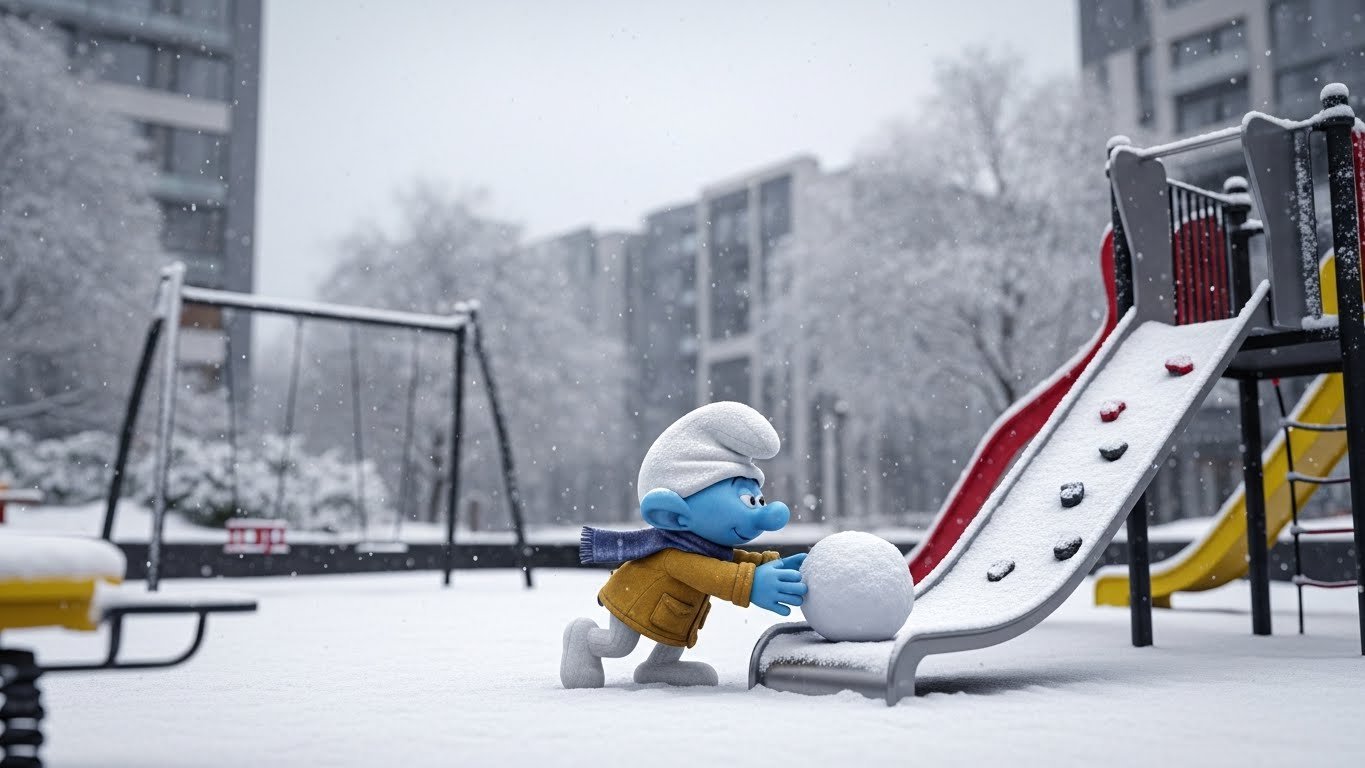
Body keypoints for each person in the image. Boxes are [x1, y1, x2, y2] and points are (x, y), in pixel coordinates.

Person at [561, 401, 807, 688]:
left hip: (675, 611)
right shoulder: (674, 555)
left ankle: (660, 667)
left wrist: (770, 564)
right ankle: (584, 638)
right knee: (618, 645)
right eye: (748, 502)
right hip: (636, 599)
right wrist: (750, 584)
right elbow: (711, 574)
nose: (765, 512)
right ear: (673, 514)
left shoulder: (705, 546)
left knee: (672, 635)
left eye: (759, 500)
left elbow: (730, 560)